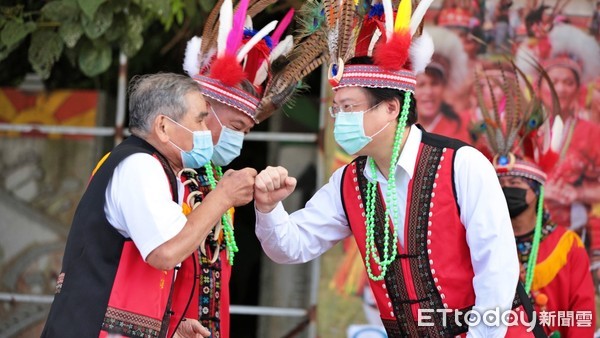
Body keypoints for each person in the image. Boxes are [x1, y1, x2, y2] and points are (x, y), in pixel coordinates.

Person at [253, 1, 526, 336]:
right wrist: (268, 207)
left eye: (349, 107)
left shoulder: (463, 165)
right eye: (336, 110)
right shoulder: (349, 182)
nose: (340, 119)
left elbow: (496, 269)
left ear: (391, 108)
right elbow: (291, 246)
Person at [41, 73, 257, 337]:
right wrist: (223, 196)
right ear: (163, 127)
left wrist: (168, 328)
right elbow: (166, 252)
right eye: (200, 120)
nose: (206, 133)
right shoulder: (140, 166)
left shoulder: (162, 170)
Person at [180, 1, 322, 336]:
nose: (237, 140)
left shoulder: (210, 176)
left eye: (245, 131)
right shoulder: (148, 165)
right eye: (236, 127)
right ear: (203, 109)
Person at [475, 64, 597, 336]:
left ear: (536, 192)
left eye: (515, 183)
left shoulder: (566, 246)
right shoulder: (480, 243)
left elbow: (582, 316)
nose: (507, 190)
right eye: (500, 184)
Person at [516, 23, 600, 280]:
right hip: (521, 231)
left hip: (572, 231)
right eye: (554, 82)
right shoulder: (521, 131)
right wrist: (539, 191)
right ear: (540, 87)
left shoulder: (592, 132)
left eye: (568, 82)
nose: (560, 89)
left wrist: (577, 192)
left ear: (578, 88)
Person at [415, 25, 471, 142]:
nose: (429, 92)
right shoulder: (399, 128)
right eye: (421, 84)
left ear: (444, 86)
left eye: (435, 84)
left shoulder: (461, 127)